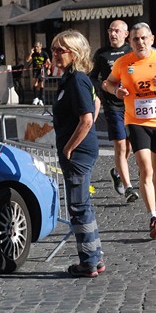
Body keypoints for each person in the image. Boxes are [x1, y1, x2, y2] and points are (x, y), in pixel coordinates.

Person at [103, 22, 156, 239]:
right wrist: (116, 91)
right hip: (135, 121)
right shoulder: (122, 62)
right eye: (136, 39)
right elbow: (107, 84)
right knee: (145, 168)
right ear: (130, 41)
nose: (140, 42)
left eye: (144, 38)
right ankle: (152, 217)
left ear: (152, 39)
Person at [51, 29, 104, 278]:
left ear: (75, 53)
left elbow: (87, 118)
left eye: (61, 50)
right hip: (78, 151)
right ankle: (95, 257)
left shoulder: (77, 80)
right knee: (83, 205)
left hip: (78, 153)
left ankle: (88, 262)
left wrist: (69, 147)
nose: (55, 54)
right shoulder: (70, 79)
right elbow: (95, 104)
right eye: (54, 50)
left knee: (78, 207)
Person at [91, 20, 139, 203]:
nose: (113, 34)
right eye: (110, 30)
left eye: (117, 31)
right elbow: (93, 77)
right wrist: (101, 90)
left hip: (132, 105)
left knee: (129, 146)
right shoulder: (102, 54)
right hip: (112, 106)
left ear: (126, 34)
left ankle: (117, 171)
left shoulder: (131, 52)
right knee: (120, 144)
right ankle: (128, 188)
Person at [26, 41, 51, 106]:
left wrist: (48, 69)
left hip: (42, 70)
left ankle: (41, 99)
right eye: (35, 47)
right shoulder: (34, 54)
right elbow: (27, 60)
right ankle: (35, 98)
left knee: (41, 84)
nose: (36, 48)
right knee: (35, 83)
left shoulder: (44, 53)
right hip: (35, 70)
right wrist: (31, 53)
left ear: (40, 47)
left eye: (37, 47)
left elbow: (49, 62)